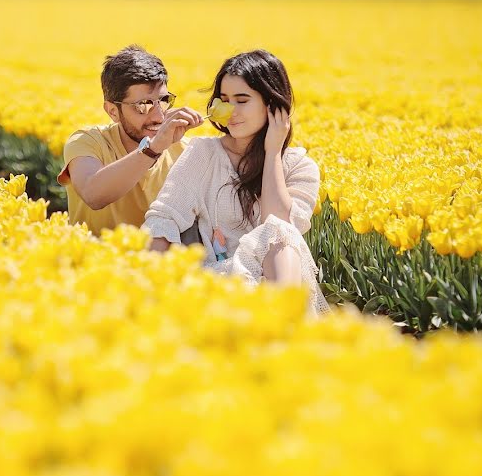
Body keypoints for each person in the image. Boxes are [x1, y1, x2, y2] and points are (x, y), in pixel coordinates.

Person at [144, 49, 331, 315]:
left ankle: (285, 328)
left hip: (277, 283)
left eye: (242, 100)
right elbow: (164, 218)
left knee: (280, 232)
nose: (230, 111)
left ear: (273, 104)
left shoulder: (299, 167)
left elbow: (278, 225)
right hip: (222, 281)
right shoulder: (203, 154)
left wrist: (273, 152)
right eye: (224, 100)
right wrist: (149, 289)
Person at [57, 45, 204, 241]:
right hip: (93, 267)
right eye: (143, 105)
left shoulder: (183, 151)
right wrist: (153, 149)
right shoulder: (87, 141)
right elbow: (93, 195)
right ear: (112, 111)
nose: (158, 116)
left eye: (163, 100)